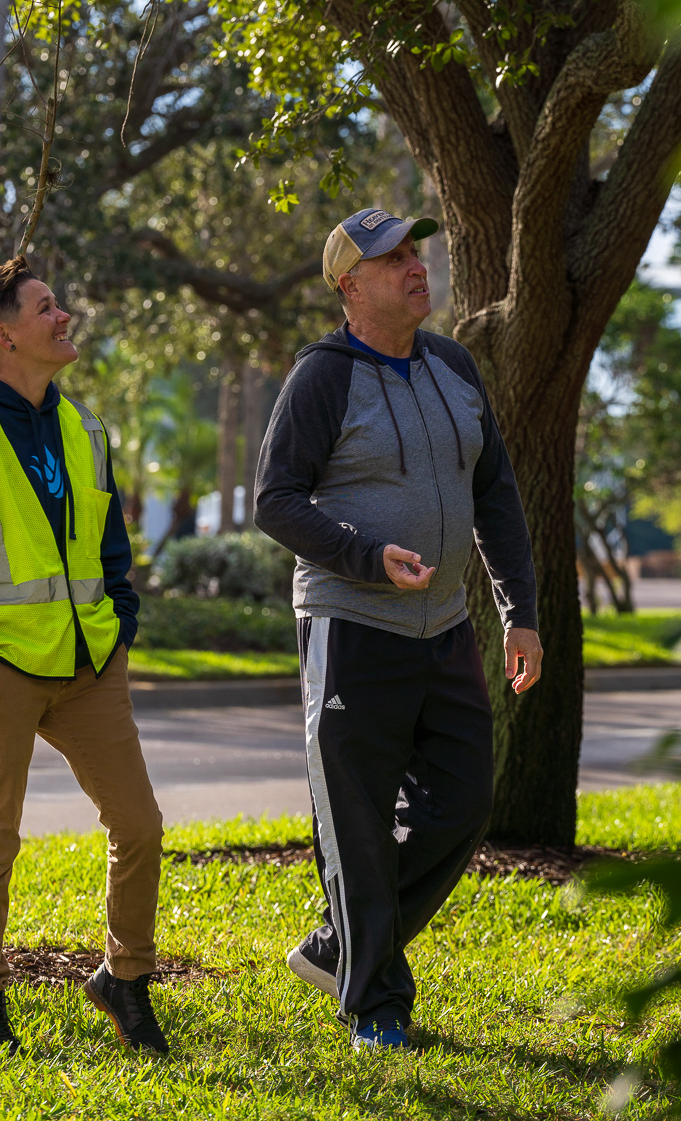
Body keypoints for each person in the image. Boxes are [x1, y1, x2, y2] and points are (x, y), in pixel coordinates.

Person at [254, 206, 543, 1052]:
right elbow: (277, 500)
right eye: (393, 261)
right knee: (357, 820)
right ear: (350, 287)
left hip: (447, 627)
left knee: (462, 807)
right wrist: (363, 554)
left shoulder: (453, 363)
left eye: (416, 252)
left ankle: (341, 946)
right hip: (351, 624)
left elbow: (495, 493)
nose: (417, 268)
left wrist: (519, 611)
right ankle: (376, 1009)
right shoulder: (323, 377)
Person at [0, 256, 167, 1057]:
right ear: (6, 336)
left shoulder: (84, 426)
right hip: (2, 674)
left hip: (90, 666)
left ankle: (123, 979)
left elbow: (111, 546)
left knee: (141, 826)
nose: (65, 317)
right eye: (48, 307)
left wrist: (119, 625)